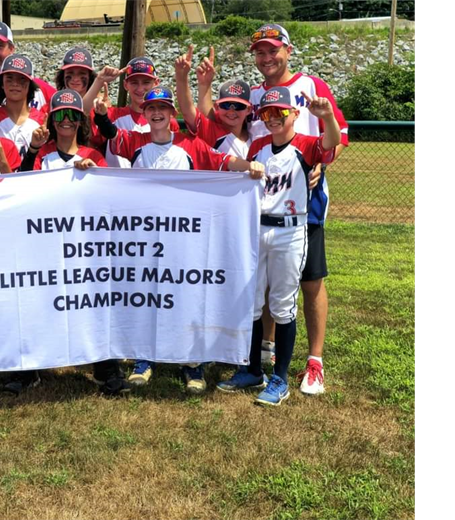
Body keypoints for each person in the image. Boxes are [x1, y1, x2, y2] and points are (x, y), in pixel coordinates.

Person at [102, 86, 265, 394]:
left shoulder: (190, 144)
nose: (157, 113)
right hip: (144, 237)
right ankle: (143, 358)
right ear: (145, 113)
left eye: (163, 107)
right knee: (145, 295)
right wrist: (100, 110)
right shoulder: (134, 141)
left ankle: (193, 362)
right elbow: (109, 132)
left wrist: (249, 167)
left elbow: (223, 162)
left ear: (171, 111)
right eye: (152, 108)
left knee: (186, 296)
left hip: (184, 238)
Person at [216, 86, 340, 406]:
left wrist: (326, 116)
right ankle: (253, 369)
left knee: (283, 305)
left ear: (294, 114)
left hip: (289, 230)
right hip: (258, 228)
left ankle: (280, 378)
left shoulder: (305, 146)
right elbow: (229, 166)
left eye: (279, 113)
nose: (272, 119)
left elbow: (332, 143)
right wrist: (243, 167)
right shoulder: (258, 145)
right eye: (267, 113)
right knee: (255, 303)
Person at [247, 24, 350, 395]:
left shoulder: (312, 86)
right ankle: (268, 354)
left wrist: (323, 162)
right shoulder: (255, 93)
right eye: (259, 52)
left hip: (306, 201)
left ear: (288, 50)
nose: (266, 58)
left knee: (309, 282)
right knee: (268, 285)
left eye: (272, 50)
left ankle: (315, 361)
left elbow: (340, 137)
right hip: (268, 199)